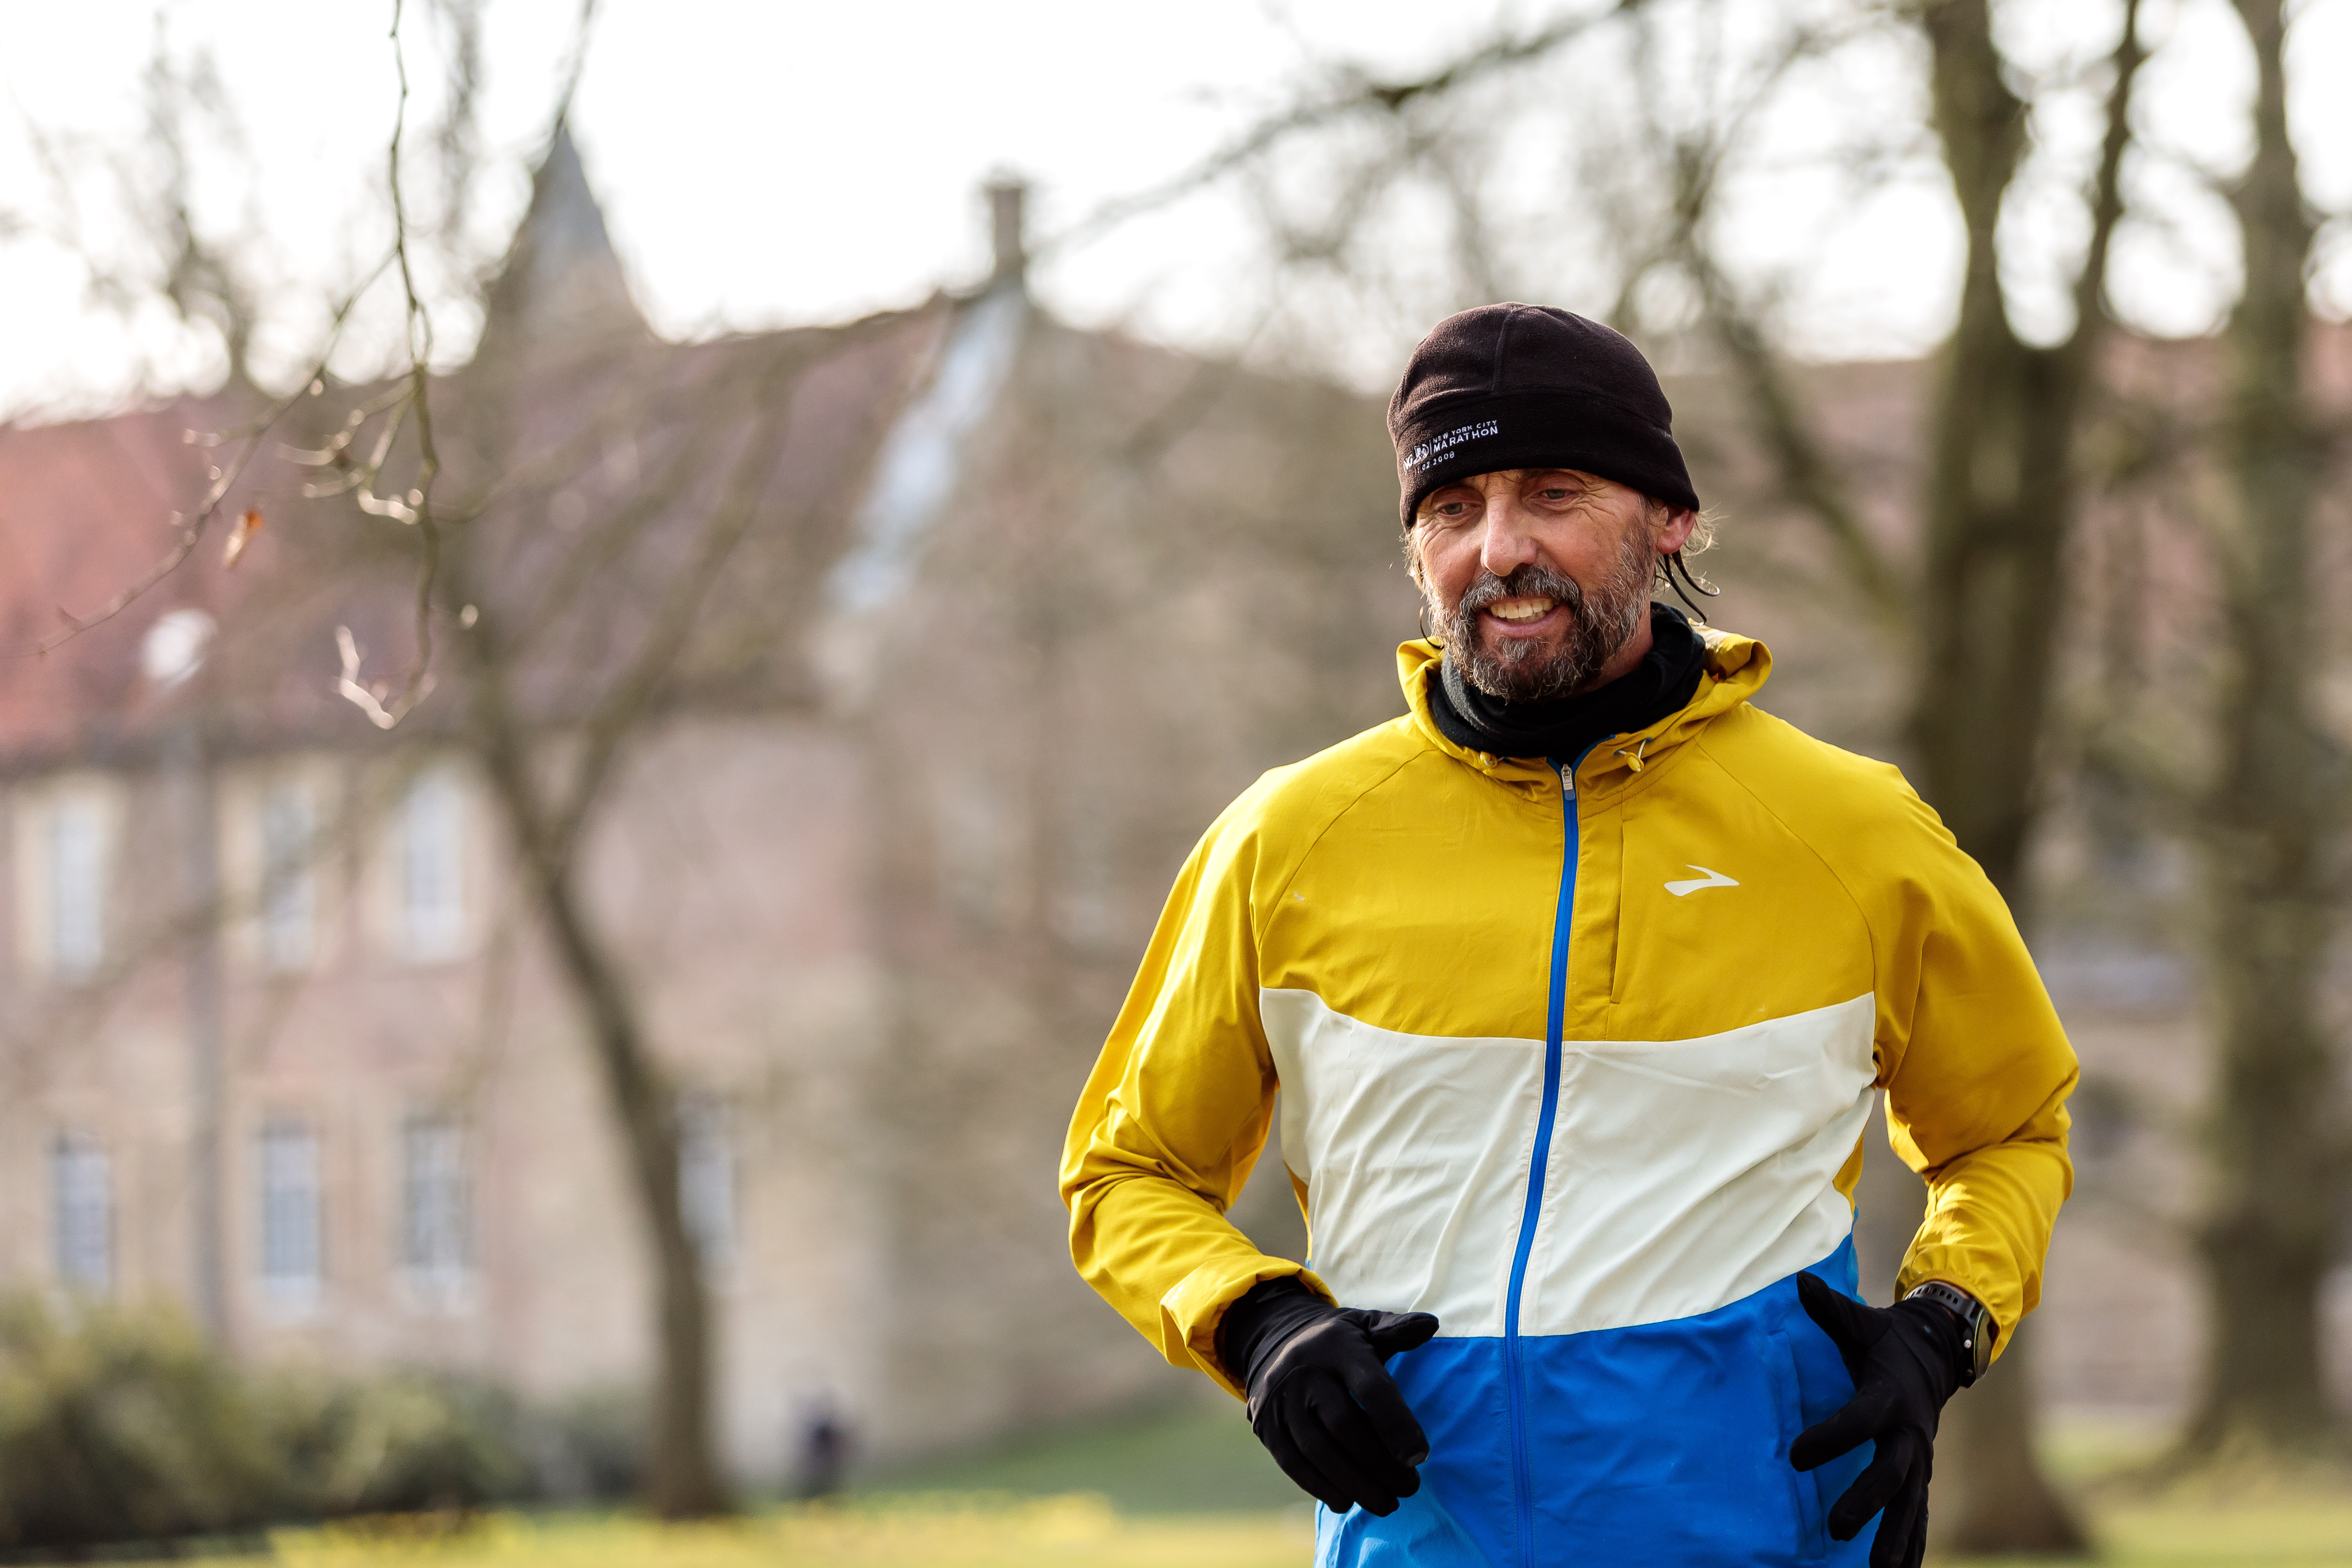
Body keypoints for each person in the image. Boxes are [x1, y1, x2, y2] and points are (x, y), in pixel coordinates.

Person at [1060, 304, 2075, 1568]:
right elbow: (1127, 1171)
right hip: (1417, 1541)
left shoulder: (1853, 832)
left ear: (1669, 520)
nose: (1500, 547)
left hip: (1760, 1534)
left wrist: (1943, 1321)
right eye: (1453, 507)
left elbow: (2009, 1128)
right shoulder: (1286, 838)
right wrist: (1253, 1319)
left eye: (1554, 493)